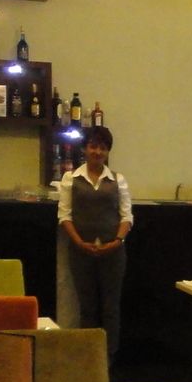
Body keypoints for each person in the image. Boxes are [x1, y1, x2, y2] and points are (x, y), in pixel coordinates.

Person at [58, 126, 132, 356]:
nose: (97, 152)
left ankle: (109, 357)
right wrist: (79, 243)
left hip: (114, 252)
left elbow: (127, 217)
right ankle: (88, 356)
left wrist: (117, 241)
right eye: (93, 146)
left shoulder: (118, 180)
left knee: (111, 307)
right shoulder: (70, 179)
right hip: (80, 252)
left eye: (103, 148)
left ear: (108, 151)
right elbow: (64, 216)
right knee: (87, 306)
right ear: (85, 149)